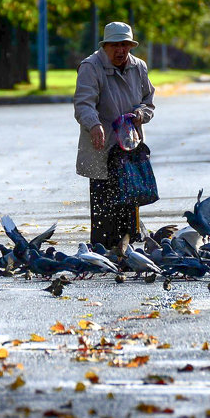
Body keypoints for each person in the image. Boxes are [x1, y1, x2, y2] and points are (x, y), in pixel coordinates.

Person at [73, 22, 156, 248]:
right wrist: (94, 125)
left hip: (130, 149)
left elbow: (148, 103)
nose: (121, 51)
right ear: (106, 46)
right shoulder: (91, 67)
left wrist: (140, 114)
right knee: (104, 208)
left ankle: (126, 253)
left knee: (129, 208)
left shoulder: (139, 67)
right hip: (103, 147)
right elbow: (83, 104)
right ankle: (103, 252)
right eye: (116, 45)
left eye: (125, 45)